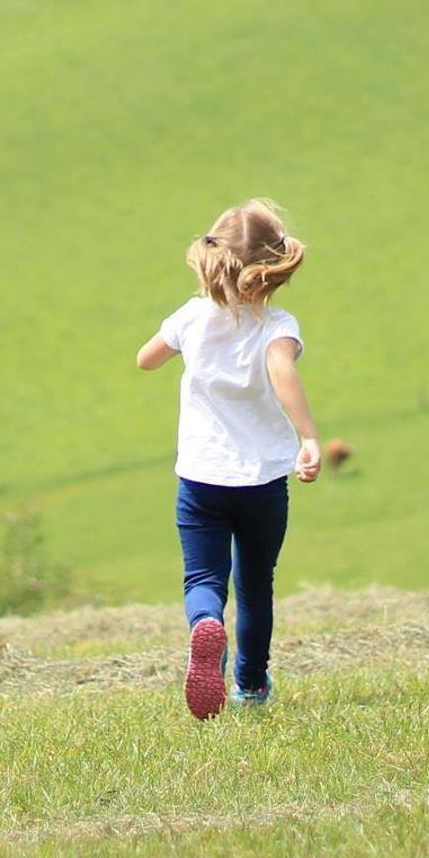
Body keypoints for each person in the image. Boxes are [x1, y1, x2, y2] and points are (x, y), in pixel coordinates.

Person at [135, 199, 321, 720]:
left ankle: (205, 626)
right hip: (261, 481)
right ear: (272, 267)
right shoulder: (277, 325)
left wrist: (183, 337)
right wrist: (308, 437)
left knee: (203, 580)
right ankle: (251, 684)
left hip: (201, 478)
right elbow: (282, 373)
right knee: (255, 585)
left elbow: (145, 359)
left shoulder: (192, 317)